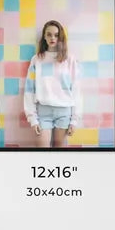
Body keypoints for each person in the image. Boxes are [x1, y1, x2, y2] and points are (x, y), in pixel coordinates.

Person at [23, 20, 81, 148]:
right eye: (49, 34)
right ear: (44, 36)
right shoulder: (36, 59)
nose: (52, 38)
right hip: (43, 112)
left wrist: (74, 120)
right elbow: (29, 90)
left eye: (56, 35)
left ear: (60, 37)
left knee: (59, 154)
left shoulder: (69, 59)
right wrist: (32, 118)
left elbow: (76, 89)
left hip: (64, 111)